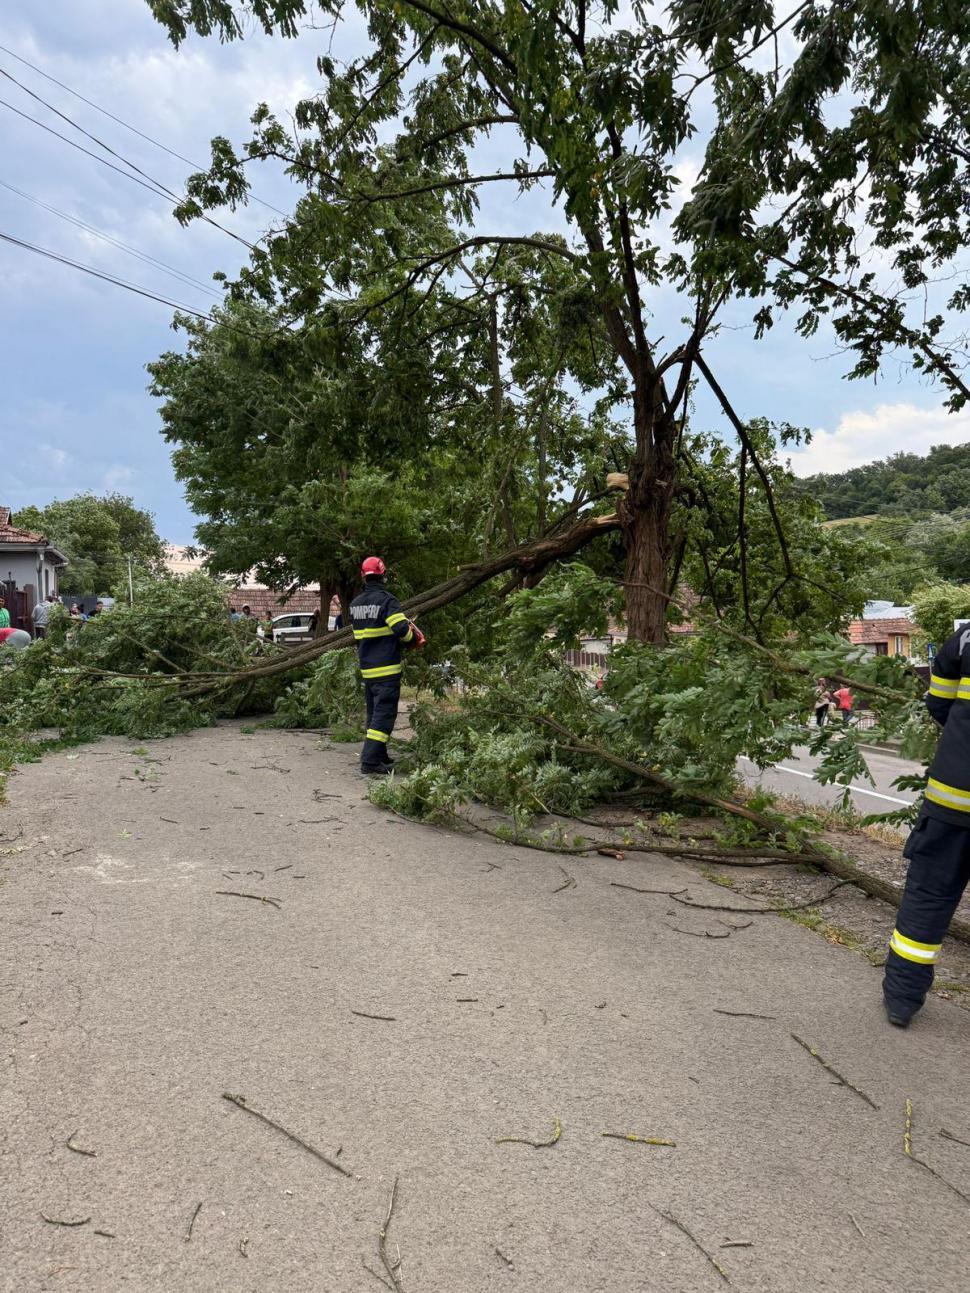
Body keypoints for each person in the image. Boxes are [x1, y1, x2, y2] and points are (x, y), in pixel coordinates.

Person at [882, 625, 970, 1027]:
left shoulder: (966, 639)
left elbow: (939, 704)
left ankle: (901, 1000)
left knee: (927, 899)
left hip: (952, 799)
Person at [350, 556, 425, 774]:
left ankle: (380, 756)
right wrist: (414, 638)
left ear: (363, 577)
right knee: (383, 714)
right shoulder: (387, 601)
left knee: (374, 713)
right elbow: (401, 629)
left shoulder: (355, 605)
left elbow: (359, 637)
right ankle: (370, 762)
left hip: (368, 669)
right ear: (383, 575)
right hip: (387, 668)